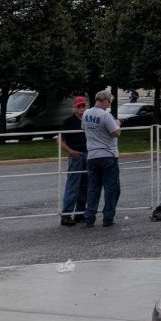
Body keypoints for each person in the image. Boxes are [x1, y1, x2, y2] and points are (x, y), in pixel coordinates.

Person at [82, 89, 122, 228]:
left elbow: (84, 128)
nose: (109, 104)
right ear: (105, 100)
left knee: (93, 188)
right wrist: (118, 123)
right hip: (108, 155)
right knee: (112, 188)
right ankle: (108, 217)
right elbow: (116, 133)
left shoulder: (86, 113)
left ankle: (89, 218)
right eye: (109, 101)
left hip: (92, 155)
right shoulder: (106, 115)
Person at [59, 96, 88, 226]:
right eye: (79, 106)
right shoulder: (68, 122)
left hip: (88, 154)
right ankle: (66, 214)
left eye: (83, 106)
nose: (81, 108)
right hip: (76, 155)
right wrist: (70, 151)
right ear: (74, 108)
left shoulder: (88, 120)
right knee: (72, 185)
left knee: (85, 185)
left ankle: (80, 213)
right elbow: (60, 140)